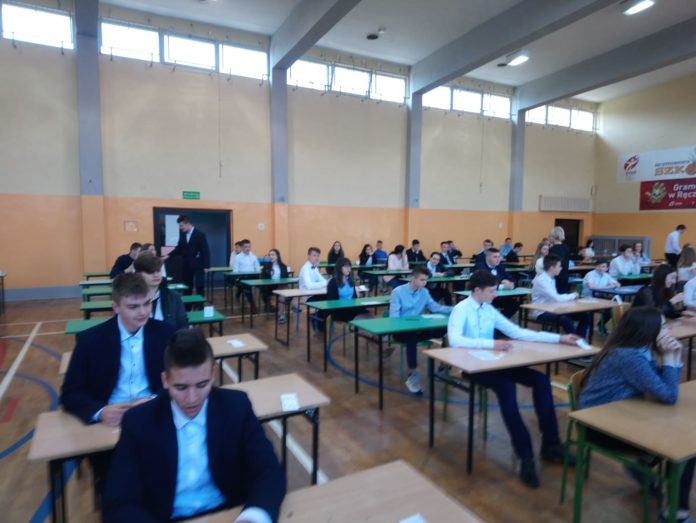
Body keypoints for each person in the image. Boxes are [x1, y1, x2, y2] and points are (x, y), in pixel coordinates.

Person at [103, 328, 286, 523]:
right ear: (165, 380)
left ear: (213, 373)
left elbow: (269, 471)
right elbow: (118, 504)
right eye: (181, 387)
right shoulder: (138, 422)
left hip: (230, 514)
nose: (192, 398)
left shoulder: (236, 407)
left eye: (202, 385)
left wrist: (253, 517)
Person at [448, 270, 579, 488]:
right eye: (491, 291)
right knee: (506, 387)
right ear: (477, 290)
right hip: (471, 366)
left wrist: (559, 338)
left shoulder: (488, 309)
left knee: (540, 380)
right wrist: (492, 344)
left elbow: (518, 332)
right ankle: (525, 455)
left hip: (494, 361)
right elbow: (455, 340)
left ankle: (551, 444)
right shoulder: (460, 309)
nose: (495, 295)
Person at [578, 307, 694, 523]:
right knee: (684, 445)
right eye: (663, 326)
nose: (668, 329)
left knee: (683, 440)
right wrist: (670, 358)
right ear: (648, 330)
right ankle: (677, 513)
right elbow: (668, 395)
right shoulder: (628, 356)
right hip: (597, 427)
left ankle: (644, 467)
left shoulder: (639, 350)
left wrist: (673, 357)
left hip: (621, 416)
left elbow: (660, 386)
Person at [60, 273, 175, 492]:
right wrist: (101, 411)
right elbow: (70, 393)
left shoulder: (166, 334)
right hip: (110, 424)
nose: (143, 312)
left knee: (163, 478)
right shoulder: (90, 341)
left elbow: (178, 381)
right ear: (116, 307)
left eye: (147, 304)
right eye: (133, 307)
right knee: (116, 484)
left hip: (154, 416)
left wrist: (155, 400)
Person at [389, 265, 453, 394]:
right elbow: (394, 317)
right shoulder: (397, 292)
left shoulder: (424, 292)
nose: (425, 283)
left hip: (419, 328)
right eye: (422, 280)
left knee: (446, 329)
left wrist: (455, 309)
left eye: (426, 280)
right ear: (413, 278)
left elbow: (435, 308)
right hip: (401, 331)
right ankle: (412, 375)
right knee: (411, 337)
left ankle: (444, 367)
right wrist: (408, 324)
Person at [531, 254, 590, 337]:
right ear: (552, 268)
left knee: (585, 316)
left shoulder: (551, 278)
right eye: (559, 266)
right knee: (566, 320)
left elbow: (556, 298)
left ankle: (579, 338)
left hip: (554, 308)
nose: (561, 268)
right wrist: (573, 295)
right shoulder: (542, 281)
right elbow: (557, 298)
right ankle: (576, 341)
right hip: (542, 312)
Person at [134, 253, 188, 330]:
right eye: (150, 272)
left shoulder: (174, 297)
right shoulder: (131, 298)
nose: (156, 275)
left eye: (158, 271)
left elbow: (183, 326)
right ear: (138, 274)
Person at [169, 215, 210, 296]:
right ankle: (187, 303)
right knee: (187, 285)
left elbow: (205, 251)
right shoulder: (182, 234)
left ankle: (199, 303)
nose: (180, 228)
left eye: (181, 226)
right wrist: (169, 255)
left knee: (199, 285)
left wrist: (206, 265)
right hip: (186, 264)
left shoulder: (200, 235)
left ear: (187, 224)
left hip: (199, 264)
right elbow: (179, 248)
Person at [474, 248, 518, 318]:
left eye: (499, 257)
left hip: (499, 296)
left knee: (514, 305)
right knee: (489, 307)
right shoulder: (480, 266)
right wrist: (502, 286)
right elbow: (485, 284)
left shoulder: (500, 266)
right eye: (495, 257)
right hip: (485, 298)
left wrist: (511, 285)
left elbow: (511, 279)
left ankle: (499, 321)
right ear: (487, 257)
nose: (498, 259)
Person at [582, 259, 620, 335]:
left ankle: (601, 324)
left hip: (600, 297)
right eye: (598, 266)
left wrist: (615, 285)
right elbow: (591, 286)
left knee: (615, 305)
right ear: (595, 267)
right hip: (589, 297)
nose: (600, 268)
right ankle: (588, 328)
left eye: (603, 266)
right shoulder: (590, 274)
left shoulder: (606, 275)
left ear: (607, 268)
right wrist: (608, 287)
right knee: (608, 305)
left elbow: (617, 284)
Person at [325, 257, 370, 322]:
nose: (348, 268)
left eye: (349, 266)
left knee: (367, 313)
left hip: (350, 308)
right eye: (345, 266)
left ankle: (357, 326)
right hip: (340, 310)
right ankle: (355, 326)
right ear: (339, 268)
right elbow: (332, 303)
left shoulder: (350, 280)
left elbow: (354, 298)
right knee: (362, 317)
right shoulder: (333, 282)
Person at [233, 239, 261, 313]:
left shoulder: (253, 256)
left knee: (265, 286)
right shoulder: (238, 257)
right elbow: (235, 270)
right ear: (242, 248)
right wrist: (237, 278)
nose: (248, 248)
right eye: (246, 247)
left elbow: (257, 268)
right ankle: (253, 306)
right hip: (242, 277)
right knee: (247, 288)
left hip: (253, 276)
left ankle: (267, 304)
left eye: (249, 247)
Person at [260, 249, 289, 315]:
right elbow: (262, 278)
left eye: (273, 255)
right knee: (284, 290)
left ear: (277, 256)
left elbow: (286, 279)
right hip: (269, 287)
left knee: (284, 288)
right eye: (270, 255)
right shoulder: (266, 266)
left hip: (280, 285)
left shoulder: (283, 266)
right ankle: (291, 307)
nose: (271, 256)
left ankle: (281, 313)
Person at [548, 226, 571, 293]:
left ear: (553, 237)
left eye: (550, 236)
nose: (549, 238)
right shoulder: (566, 248)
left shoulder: (553, 249)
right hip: (564, 275)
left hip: (555, 276)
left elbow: (550, 264)